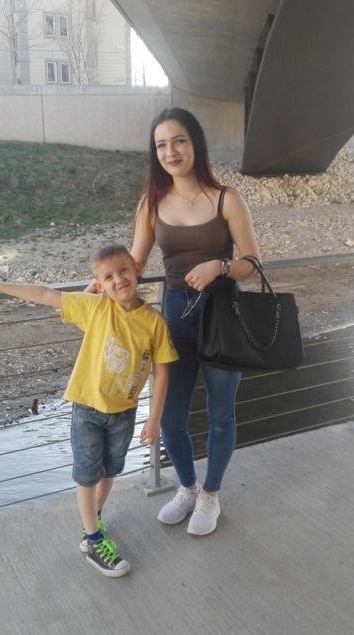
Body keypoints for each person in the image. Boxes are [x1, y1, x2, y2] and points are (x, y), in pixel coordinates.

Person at [0, 244, 178, 577]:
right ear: (99, 285)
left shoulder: (154, 322)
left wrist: (154, 420)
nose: (118, 280)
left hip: (124, 413)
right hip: (87, 410)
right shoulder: (95, 307)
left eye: (123, 270)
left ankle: (92, 522)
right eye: (108, 277)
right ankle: (93, 539)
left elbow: (162, 371)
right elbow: (45, 294)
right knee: (87, 474)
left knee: (109, 471)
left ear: (136, 269)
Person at [131, 107, 261, 536]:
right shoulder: (151, 203)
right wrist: (105, 280)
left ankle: (211, 495)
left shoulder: (227, 198)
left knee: (220, 413)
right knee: (171, 417)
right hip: (175, 321)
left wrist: (219, 266)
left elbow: (251, 263)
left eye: (178, 141)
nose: (170, 151)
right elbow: (134, 264)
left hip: (222, 317)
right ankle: (187, 488)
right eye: (161, 145)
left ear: (195, 144)